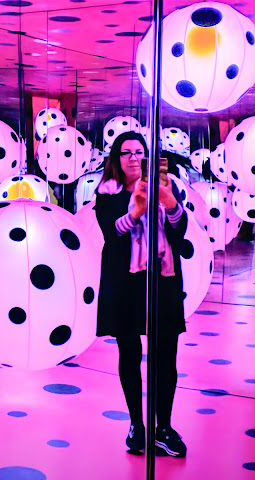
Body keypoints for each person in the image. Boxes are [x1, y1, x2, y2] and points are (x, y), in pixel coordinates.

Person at [94, 131, 188, 457]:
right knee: (129, 354)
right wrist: (134, 211)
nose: (133, 157)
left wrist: (170, 203)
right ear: (116, 159)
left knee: (166, 357)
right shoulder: (107, 192)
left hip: (162, 279)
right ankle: (137, 423)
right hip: (126, 282)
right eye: (126, 152)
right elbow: (111, 233)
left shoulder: (166, 186)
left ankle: (164, 426)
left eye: (138, 152)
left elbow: (180, 229)